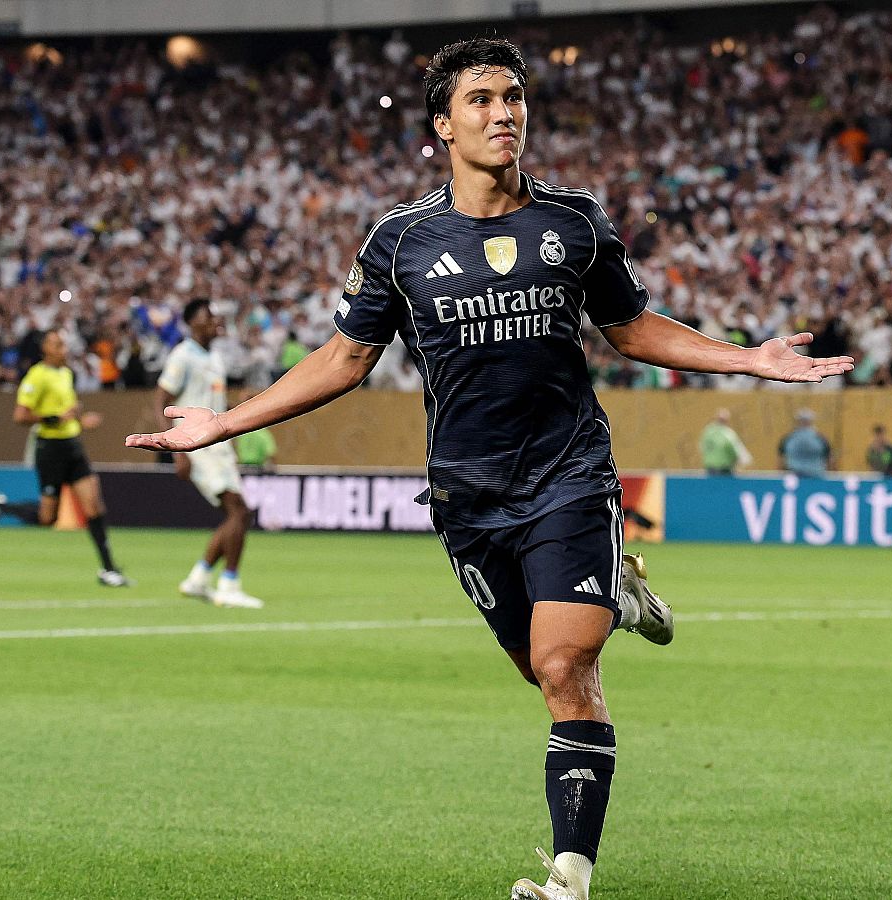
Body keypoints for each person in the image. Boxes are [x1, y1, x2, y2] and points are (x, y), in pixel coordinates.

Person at [124, 38, 853, 900]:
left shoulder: (575, 222)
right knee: (540, 673)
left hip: (569, 474)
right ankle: (617, 589)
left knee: (562, 665)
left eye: (513, 97)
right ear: (443, 125)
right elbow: (341, 360)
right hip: (468, 498)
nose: (504, 112)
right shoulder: (400, 240)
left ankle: (570, 876)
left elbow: (633, 328)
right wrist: (224, 423)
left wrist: (747, 359)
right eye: (481, 100)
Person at [0, 330, 129, 587]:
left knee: (94, 506)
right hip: (50, 449)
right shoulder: (37, 376)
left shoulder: (66, 373)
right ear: (44, 350)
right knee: (48, 518)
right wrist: (54, 419)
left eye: (63, 343)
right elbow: (20, 416)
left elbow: (68, 410)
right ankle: (1, 507)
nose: (63, 347)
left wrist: (81, 419)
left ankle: (108, 568)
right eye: (56, 344)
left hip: (73, 446)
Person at [158, 299, 263, 609]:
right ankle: (229, 584)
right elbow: (161, 398)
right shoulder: (183, 356)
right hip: (196, 444)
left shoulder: (215, 357)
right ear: (192, 323)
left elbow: (214, 405)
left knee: (237, 514)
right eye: (208, 316)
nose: (215, 320)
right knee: (238, 512)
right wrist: (175, 449)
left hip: (218, 446)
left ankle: (199, 578)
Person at [700, 408, 753, 476]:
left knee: (711, 485)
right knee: (723, 486)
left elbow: (702, 447)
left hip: (710, 468)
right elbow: (736, 450)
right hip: (724, 469)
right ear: (727, 420)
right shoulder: (727, 433)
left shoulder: (707, 431)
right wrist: (740, 462)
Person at [778, 409, 830, 478]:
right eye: (802, 421)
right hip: (794, 474)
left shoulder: (820, 439)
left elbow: (828, 457)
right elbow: (781, 457)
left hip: (816, 474)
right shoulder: (789, 438)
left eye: (806, 421)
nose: (804, 423)